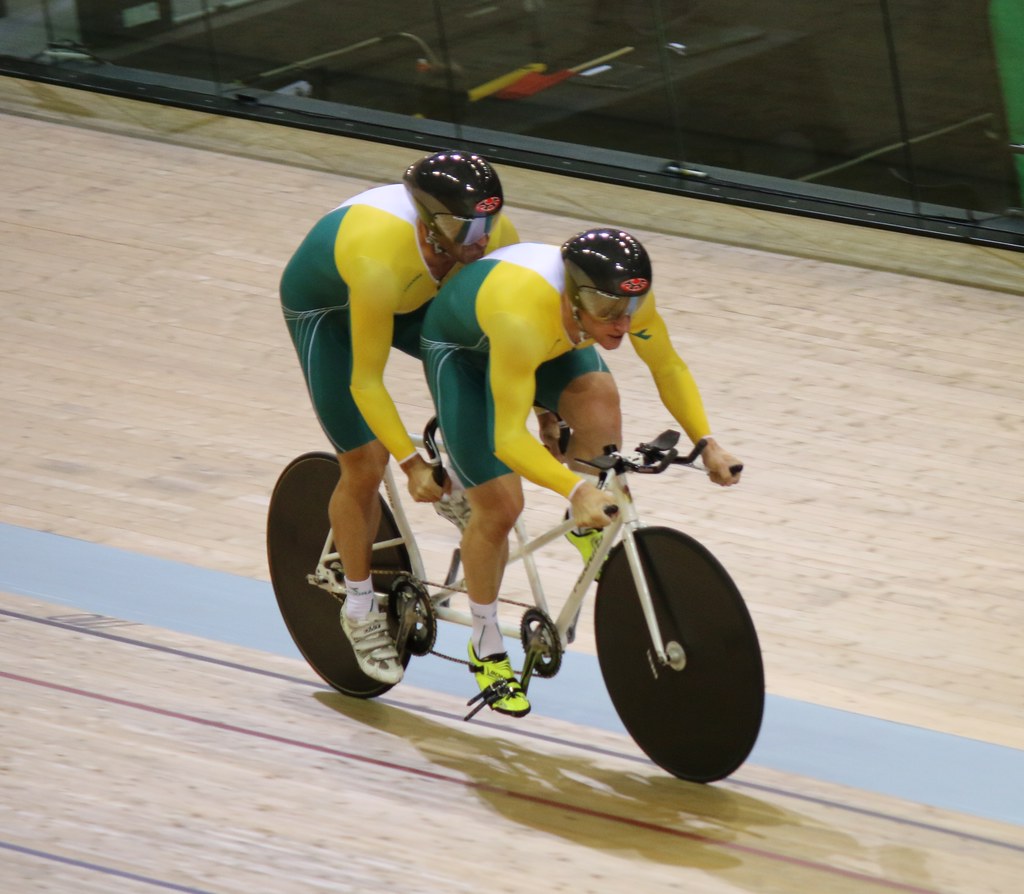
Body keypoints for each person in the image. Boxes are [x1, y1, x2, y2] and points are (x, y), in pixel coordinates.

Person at [420, 228, 743, 717]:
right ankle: (484, 644)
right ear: (575, 297)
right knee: (501, 509)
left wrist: (707, 443)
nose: (623, 323)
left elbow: (668, 367)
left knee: (599, 398)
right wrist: (574, 489)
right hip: (465, 352)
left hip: (546, 341)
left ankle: (583, 528)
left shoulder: (624, 298)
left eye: (630, 310)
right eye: (609, 312)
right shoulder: (522, 314)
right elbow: (508, 438)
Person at [278, 149, 520, 687]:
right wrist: (411, 464)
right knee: (366, 462)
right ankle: (359, 608)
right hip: (329, 312)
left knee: (474, 356)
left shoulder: (491, 235)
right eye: (468, 228)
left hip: (408, 295)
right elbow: (366, 382)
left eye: (489, 222)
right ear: (430, 224)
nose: (483, 238)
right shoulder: (379, 258)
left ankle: (456, 475)